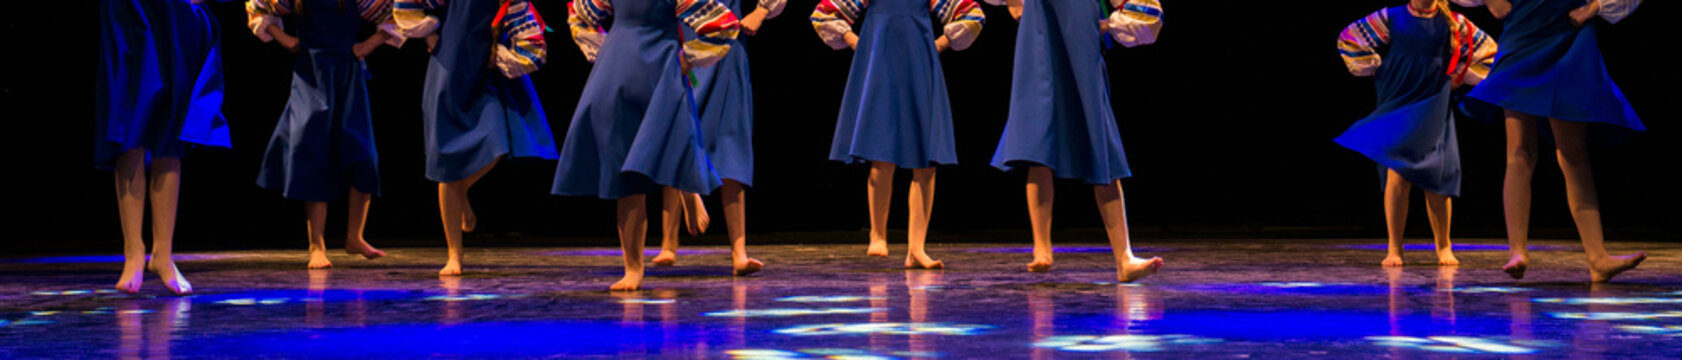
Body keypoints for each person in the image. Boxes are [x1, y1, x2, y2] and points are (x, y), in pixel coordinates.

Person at [554, 0, 741, 290]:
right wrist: (604, 48)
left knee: (672, 134)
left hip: (658, 70)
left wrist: (687, 59)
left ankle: (687, 190)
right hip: (617, 71)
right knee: (623, 168)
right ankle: (633, 267)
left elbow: (724, 25)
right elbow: (579, 14)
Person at [1461, 0, 1647, 282]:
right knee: (1520, 151)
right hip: (1524, 34)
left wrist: (1594, 6)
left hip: (1567, 36)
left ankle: (1598, 258)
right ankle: (1517, 251)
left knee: (1573, 155)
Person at [989, 0, 1164, 281]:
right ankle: (1042, 247)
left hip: (1081, 45)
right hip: (1038, 44)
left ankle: (1124, 257)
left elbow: (1149, 14)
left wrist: (1107, 24)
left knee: (1100, 143)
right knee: (1037, 137)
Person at [810, 0, 986, 269]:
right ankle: (877, 234)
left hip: (919, 66)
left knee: (925, 161)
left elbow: (971, 14)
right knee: (881, 152)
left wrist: (939, 44)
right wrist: (859, 43)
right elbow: (824, 13)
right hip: (879, 66)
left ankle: (917, 248)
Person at [394, 0, 558, 276]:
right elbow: (407, 6)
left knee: (496, 146)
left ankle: (462, 191)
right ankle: (454, 255)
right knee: (447, 165)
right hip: (449, 74)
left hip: (485, 77)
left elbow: (532, 41)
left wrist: (504, 56)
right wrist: (431, 33)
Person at [1335, 0, 1496, 267]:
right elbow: (1350, 39)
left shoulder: (1453, 23)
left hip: (1433, 100)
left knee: (1437, 175)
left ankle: (1444, 245)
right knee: (1397, 171)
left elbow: (1489, 52)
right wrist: (1377, 67)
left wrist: (1461, 75)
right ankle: (1394, 247)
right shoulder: (1392, 17)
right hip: (1399, 100)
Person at [248, 0, 402, 269]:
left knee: (363, 153)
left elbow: (399, 14)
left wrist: (366, 46)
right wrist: (284, 38)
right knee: (313, 151)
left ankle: (355, 236)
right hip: (311, 76)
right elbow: (258, 7)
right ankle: (316, 245)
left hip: (347, 75)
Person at [96, 0, 230, 294]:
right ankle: (133, 252)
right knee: (130, 124)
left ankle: (163, 255)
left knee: (170, 133)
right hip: (132, 11)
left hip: (177, 14)